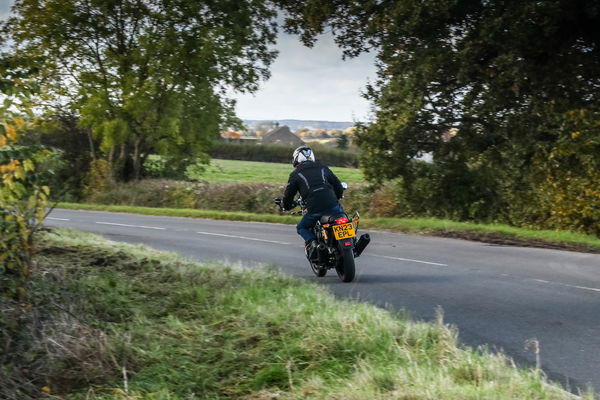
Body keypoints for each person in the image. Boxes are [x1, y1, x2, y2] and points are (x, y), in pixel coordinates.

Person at [279, 146, 345, 259]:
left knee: (301, 227)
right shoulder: (323, 168)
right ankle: (353, 240)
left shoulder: (295, 174)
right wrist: (338, 196)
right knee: (342, 216)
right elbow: (338, 185)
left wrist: (286, 205)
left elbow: (289, 195)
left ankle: (314, 243)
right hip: (333, 206)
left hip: (314, 209)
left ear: (296, 159)